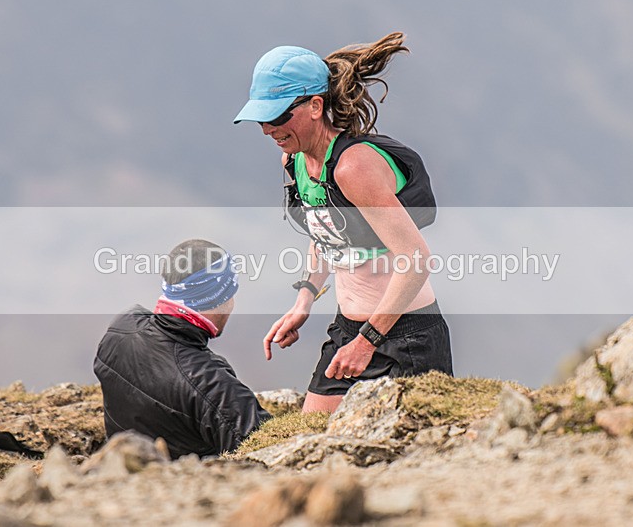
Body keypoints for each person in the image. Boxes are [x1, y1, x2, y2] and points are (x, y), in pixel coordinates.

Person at [234, 32, 453, 413]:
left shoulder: (354, 166)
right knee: (311, 442)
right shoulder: (296, 161)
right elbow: (325, 232)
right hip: (347, 330)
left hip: (406, 335)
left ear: (316, 105)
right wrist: (304, 298)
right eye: (261, 120)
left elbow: (415, 258)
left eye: (277, 116)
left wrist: (368, 341)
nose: (268, 130)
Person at [94, 239, 270, 459]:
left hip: (122, 471)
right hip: (188, 488)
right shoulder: (214, 385)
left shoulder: (120, 329)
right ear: (219, 297)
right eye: (231, 292)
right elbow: (268, 450)